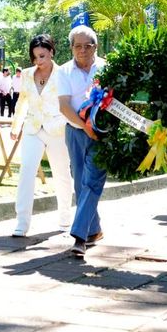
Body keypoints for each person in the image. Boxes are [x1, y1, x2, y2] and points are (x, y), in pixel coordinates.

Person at [10, 35, 73, 237]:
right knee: (26, 172)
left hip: (57, 129)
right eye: (35, 57)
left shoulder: (64, 73)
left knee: (61, 173)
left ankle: (65, 218)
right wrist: (15, 126)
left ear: (52, 52)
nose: (39, 61)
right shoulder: (27, 74)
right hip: (32, 128)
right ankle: (22, 222)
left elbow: (69, 102)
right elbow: (22, 101)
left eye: (43, 56)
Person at [58, 25, 107, 256]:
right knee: (80, 183)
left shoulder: (107, 68)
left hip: (102, 134)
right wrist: (85, 127)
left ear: (95, 46)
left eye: (88, 46)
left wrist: (96, 128)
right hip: (76, 131)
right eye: (78, 46)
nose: (83, 50)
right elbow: (65, 106)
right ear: (71, 48)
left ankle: (79, 237)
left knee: (92, 182)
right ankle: (94, 229)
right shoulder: (64, 72)